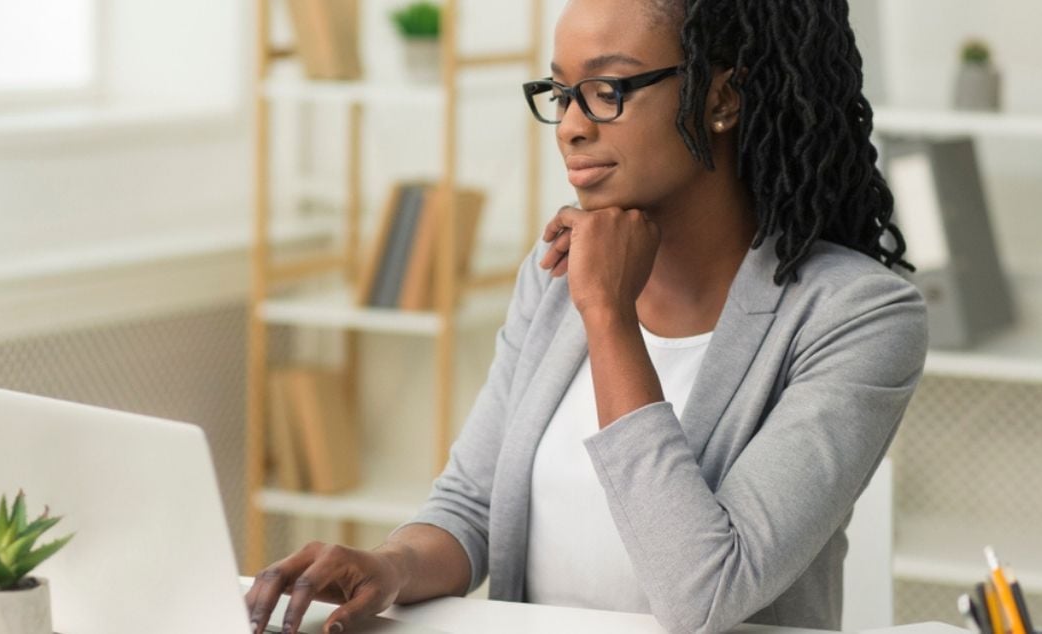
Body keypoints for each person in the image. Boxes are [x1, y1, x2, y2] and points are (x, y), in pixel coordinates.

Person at [245, 0, 928, 632]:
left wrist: (608, 317)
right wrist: (389, 568)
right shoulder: (552, 276)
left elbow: (706, 592)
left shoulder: (858, 317)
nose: (572, 126)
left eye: (611, 91)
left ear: (722, 97)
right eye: (562, 94)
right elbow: (472, 506)